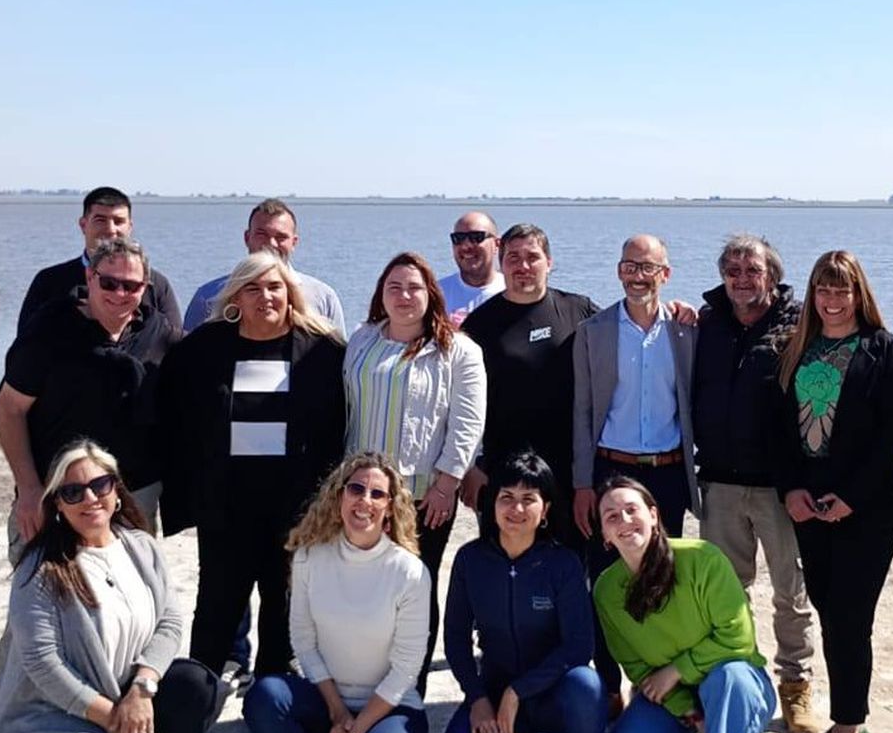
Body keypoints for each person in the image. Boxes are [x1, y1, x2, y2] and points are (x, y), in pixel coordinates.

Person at [0, 441, 219, 733]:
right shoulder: (40, 569)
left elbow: (169, 622)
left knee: (193, 683)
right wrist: (114, 716)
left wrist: (142, 690)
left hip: (126, 696)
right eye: (72, 491)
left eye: (100, 485)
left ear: (116, 492)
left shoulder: (141, 547)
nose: (90, 498)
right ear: (57, 503)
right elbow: (43, 666)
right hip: (54, 719)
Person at [156, 251, 345, 680]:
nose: (266, 297)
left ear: (291, 293)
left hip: (295, 510)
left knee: (284, 610)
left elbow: (338, 429)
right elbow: (175, 420)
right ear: (235, 295)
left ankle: (270, 699)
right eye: (253, 287)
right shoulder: (203, 349)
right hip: (226, 510)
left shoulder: (323, 350)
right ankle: (197, 700)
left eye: (275, 287)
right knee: (216, 611)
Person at [775, 251, 893, 733]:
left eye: (842, 291)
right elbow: (781, 432)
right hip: (810, 505)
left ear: (860, 295)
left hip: (868, 506)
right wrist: (791, 490)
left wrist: (852, 496)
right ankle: (843, 724)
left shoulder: (883, 349)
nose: (832, 301)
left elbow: (891, 433)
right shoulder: (798, 349)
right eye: (823, 291)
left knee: (852, 618)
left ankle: (850, 730)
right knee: (830, 614)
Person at [241, 454, 430, 733]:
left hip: (389, 706)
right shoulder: (310, 557)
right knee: (263, 697)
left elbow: (406, 669)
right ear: (338, 497)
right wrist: (339, 713)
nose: (365, 501)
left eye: (378, 494)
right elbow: (303, 642)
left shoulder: (409, 572)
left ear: (390, 508)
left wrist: (355, 731)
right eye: (356, 489)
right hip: (326, 698)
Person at [593, 477, 776, 733]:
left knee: (731, 679)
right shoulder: (607, 591)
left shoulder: (702, 559)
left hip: (733, 683)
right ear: (604, 535)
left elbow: (737, 639)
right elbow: (637, 668)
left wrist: (677, 670)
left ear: (655, 515)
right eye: (611, 516)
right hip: (673, 698)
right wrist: (692, 713)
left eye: (632, 510)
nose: (624, 520)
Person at [440, 451, 605, 733]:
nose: (516, 508)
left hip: (552, 697)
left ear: (545, 509)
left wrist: (520, 690)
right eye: (506, 497)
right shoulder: (470, 560)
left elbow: (579, 647)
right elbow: (456, 639)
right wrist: (479, 697)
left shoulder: (562, 564)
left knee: (588, 686)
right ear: (491, 504)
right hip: (496, 694)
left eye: (529, 498)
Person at [693, 234, 820, 733]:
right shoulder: (704, 324)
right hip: (719, 480)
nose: (742, 279)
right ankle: (739, 678)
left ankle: (796, 685)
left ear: (772, 276)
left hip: (779, 485)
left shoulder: (798, 325)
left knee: (791, 593)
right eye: (733, 271)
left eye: (753, 271)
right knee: (726, 593)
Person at [344, 252, 485, 694]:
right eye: (395, 288)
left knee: (413, 592)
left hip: (422, 497)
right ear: (380, 295)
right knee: (363, 588)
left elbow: (467, 422)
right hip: (361, 495)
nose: (404, 296)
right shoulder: (361, 339)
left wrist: (447, 483)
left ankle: (408, 690)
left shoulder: (457, 350)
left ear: (431, 295)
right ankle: (363, 681)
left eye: (414, 288)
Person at [572, 234, 698, 702]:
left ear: (665, 274)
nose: (638, 275)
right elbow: (583, 412)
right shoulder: (595, 331)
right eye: (630, 265)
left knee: (664, 578)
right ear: (618, 271)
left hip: (667, 473)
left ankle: (664, 687)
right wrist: (583, 483)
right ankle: (607, 691)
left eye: (648, 267)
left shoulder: (687, 330)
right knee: (606, 583)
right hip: (609, 469)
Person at [0, 238, 179, 541]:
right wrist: (28, 489)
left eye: (131, 286)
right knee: (45, 583)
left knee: (131, 585)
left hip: (134, 494)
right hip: (57, 490)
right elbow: (9, 409)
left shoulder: (159, 333)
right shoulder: (48, 330)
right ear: (90, 278)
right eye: (109, 283)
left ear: (144, 287)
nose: (119, 293)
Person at [458, 223, 601, 547]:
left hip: (568, 471)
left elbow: (626, 333)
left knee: (569, 567)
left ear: (549, 262)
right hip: (502, 471)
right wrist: (472, 466)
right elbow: (463, 402)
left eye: (532, 257)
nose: (523, 266)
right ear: (501, 263)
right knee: (506, 563)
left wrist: (673, 311)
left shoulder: (579, 311)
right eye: (513, 258)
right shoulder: (479, 325)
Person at [14, 186, 180, 337]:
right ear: (83, 225)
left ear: (130, 226)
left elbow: (174, 348)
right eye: (100, 220)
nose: (110, 229)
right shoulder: (50, 281)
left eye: (119, 221)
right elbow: (25, 343)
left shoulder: (156, 285)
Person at [183, 199, 345, 336]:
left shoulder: (323, 297)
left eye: (281, 237)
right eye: (262, 235)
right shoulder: (208, 296)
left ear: (294, 243)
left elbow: (339, 361)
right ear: (247, 238)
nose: (271, 244)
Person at [437, 211, 505, 325]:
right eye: (458, 238)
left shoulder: (513, 292)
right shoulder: (435, 295)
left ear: (497, 244)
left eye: (476, 237)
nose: (466, 246)